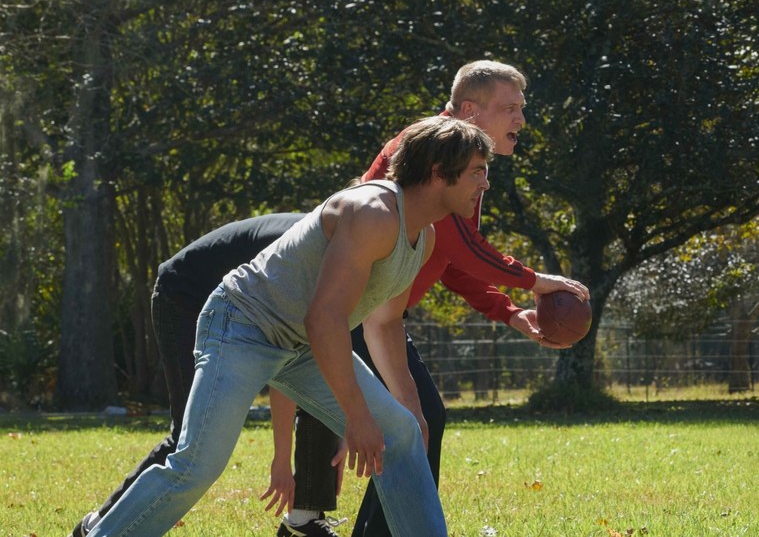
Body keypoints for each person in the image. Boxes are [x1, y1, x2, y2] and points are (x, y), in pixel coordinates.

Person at [85, 116, 493, 537]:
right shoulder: (372, 214)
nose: (485, 184)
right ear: (438, 173)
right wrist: (356, 416)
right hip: (241, 325)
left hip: (299, 344)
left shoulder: (422, 238)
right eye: (477, 172)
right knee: (196, 466)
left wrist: (411, 409)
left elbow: (385, 322)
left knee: (403, 435)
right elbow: (324, 319)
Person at [276, 60, 590, 537]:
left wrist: (509, 313)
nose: (521, 121)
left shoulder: (467, 165)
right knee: (404, 419)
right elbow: (463, 248)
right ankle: (316, 521)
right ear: (468, 110)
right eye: (510, 109)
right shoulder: (430, 152)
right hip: (350, 309)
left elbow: (451, 259)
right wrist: (534, 281)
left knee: (404, 418)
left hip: (377, 313)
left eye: (521, 109)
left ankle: (307, 522)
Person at [69, 212, 338, 537]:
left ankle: (304, 519)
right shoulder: (317, 253)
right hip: (183, 295)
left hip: (228, 303)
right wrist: (281, 460)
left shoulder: (341, 247)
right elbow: (285, 367)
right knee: (189, 439)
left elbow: (300, 364)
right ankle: (97, 526)